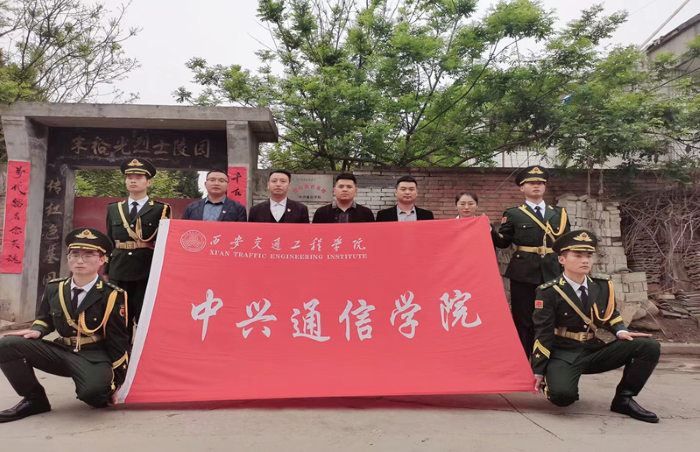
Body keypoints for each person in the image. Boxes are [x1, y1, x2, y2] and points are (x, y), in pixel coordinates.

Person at [0, 228, 129, 423]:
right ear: (68, 258)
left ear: (102, 260)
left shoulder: (112, 294)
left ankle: (94, 385)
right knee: (7, 344)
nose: (80, 261)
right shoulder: (55, 287)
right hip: (61, 351)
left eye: (88, 255)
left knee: (96, 397)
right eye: (74, 255)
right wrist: (38, 330)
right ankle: (35, 400)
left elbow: (119, 340)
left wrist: (118, 382)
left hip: (93, 356)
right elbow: (44, 319)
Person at [533, 230, 660, 423]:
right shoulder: (549, 291)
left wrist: (620, 331)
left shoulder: (602, 286)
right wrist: (538, 370)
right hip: (564, 353)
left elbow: (610, 315)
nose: (585, 260)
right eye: (578, 256)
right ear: (562, 260)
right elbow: (543, 332)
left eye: (588, 256)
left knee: (648, 346)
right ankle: (554, 380)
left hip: (593, 349)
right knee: (563, 397)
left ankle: (624, 399)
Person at [493, 165, 570, 358]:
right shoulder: (513, 213)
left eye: (540, 183)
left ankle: (549, 357)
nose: (536, 186)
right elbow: (503, 243)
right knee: (524, 317)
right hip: (524, 272)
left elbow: (566, 244)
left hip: (553, 270)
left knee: (552, 315)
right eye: (531, 183)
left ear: (545, 186)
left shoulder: (559, 214)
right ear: (522, 188)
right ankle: (523, 358)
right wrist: (488, 230)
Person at [104, 158, 171, 341]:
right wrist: (107, 270)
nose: (133, 180)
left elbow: (164, 244)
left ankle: (142, 350)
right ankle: (122, 352)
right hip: (119, 268)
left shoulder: (161, 209)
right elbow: (109, 241)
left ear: (149, 182)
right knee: (119, 315)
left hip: (146, 269)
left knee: (145, 314)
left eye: (139, 177)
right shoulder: (114, 209)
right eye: (129, 177)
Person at [181, 169, 247, 222]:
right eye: (212, 180)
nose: (216, 183)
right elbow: (183, 228)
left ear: (228, 186)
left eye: (221, 181)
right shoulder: (192, 207)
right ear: (205, 184)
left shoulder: (238, 209)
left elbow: (242, 231)